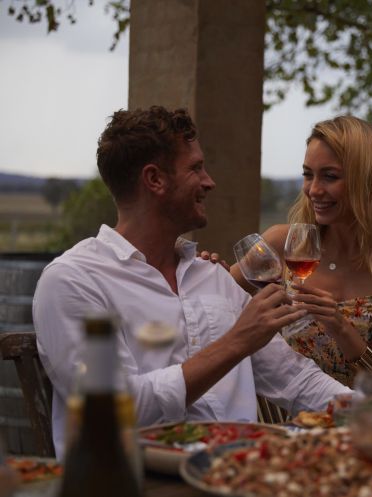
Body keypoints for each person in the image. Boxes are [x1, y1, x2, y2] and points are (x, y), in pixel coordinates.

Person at [32, 106, 352, 458]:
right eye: (196, 168)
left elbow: (294, 378)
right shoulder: (74, 281)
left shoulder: (211, 276)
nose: (209, 181)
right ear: (155, 180)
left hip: (235, 476)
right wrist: (235, 343)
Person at [222, 115, 372, 387]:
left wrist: (342, 329)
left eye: (330, 176)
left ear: (366, 181)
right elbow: (211, 303)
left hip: (359, 425)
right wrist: (207, 271)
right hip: (279, 426)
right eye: (308, 175)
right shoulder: (283, 243)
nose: (314, 190)